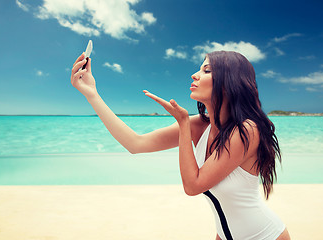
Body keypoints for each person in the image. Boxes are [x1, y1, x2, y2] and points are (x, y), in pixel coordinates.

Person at [71, 50, 291, 240]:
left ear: (228, 82)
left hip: (265, 236)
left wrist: (183, 124)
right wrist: (92, 94)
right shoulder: (200, 125)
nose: (194, 75)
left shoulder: (247, 130)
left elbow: (193, 186)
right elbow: (135, 143)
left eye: (207, 70)